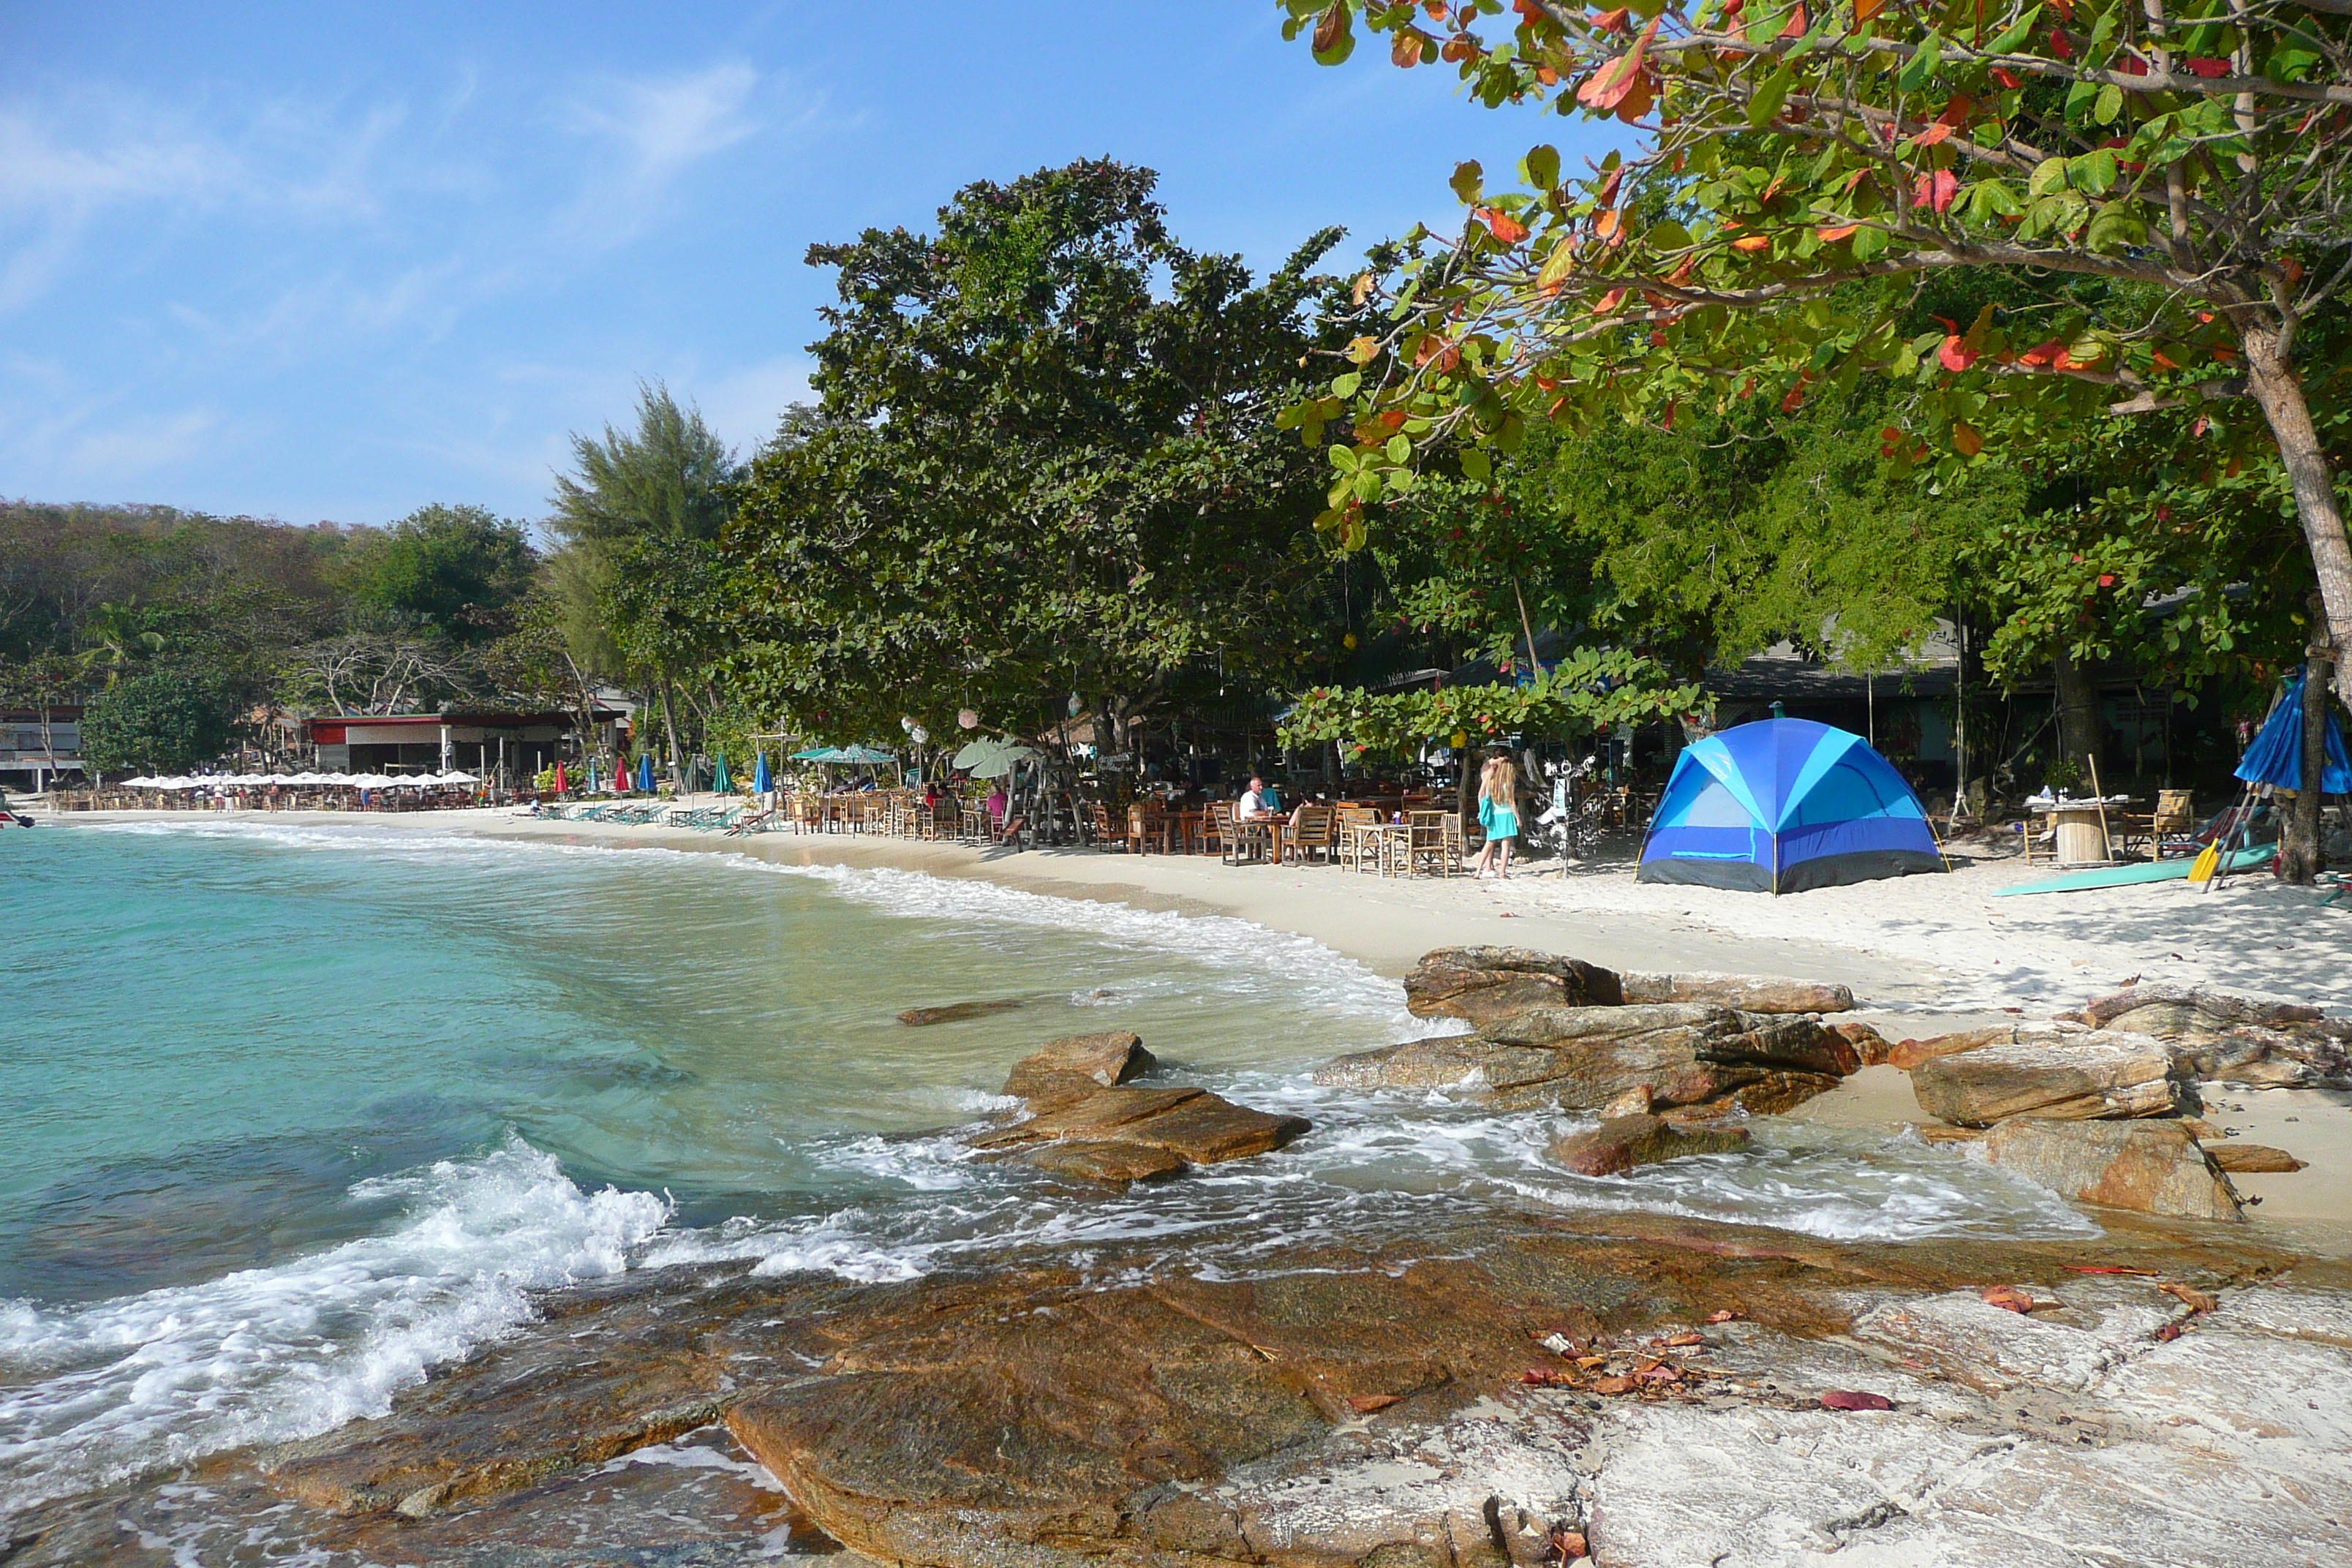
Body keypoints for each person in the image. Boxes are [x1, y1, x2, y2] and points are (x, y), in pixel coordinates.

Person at [1474, 754, 1521, 880]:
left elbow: (1482, 794)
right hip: (1506, 815)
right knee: (1505, 846)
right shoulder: (1509, 783)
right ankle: (1502, 873)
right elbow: (1511, 802)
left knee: (1489, 843)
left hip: (1494, 815)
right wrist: (1518, 818)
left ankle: (1478, 871)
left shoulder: (1491, 780)